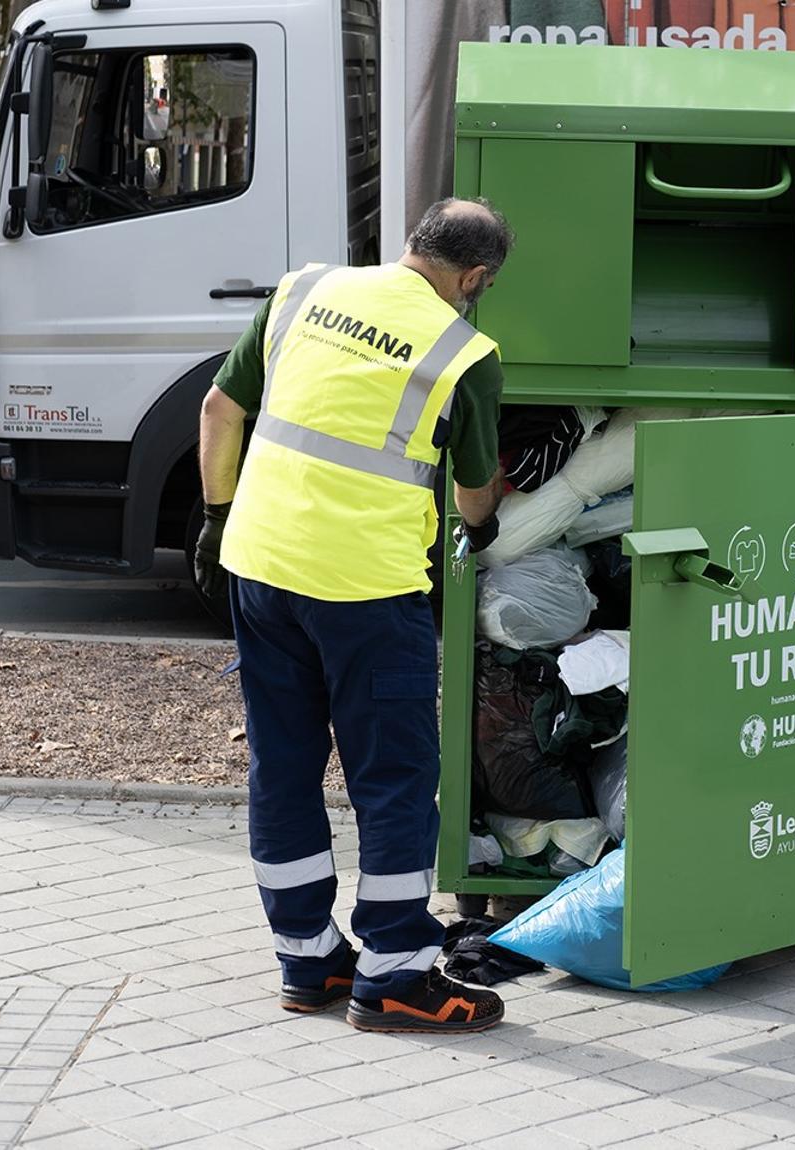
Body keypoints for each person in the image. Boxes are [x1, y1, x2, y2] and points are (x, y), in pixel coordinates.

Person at [195, 198, 513, 1033]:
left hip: (260, 571)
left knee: (285, 767)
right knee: (396, 779)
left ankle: (308, 961)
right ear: (474, 278)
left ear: (412, 245)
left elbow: (219, 411)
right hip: (366, 592)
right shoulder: (466, 353)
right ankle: (399, 973)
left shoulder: (305, 289)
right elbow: (474, 494)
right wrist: (483, 530)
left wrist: (213, 517)